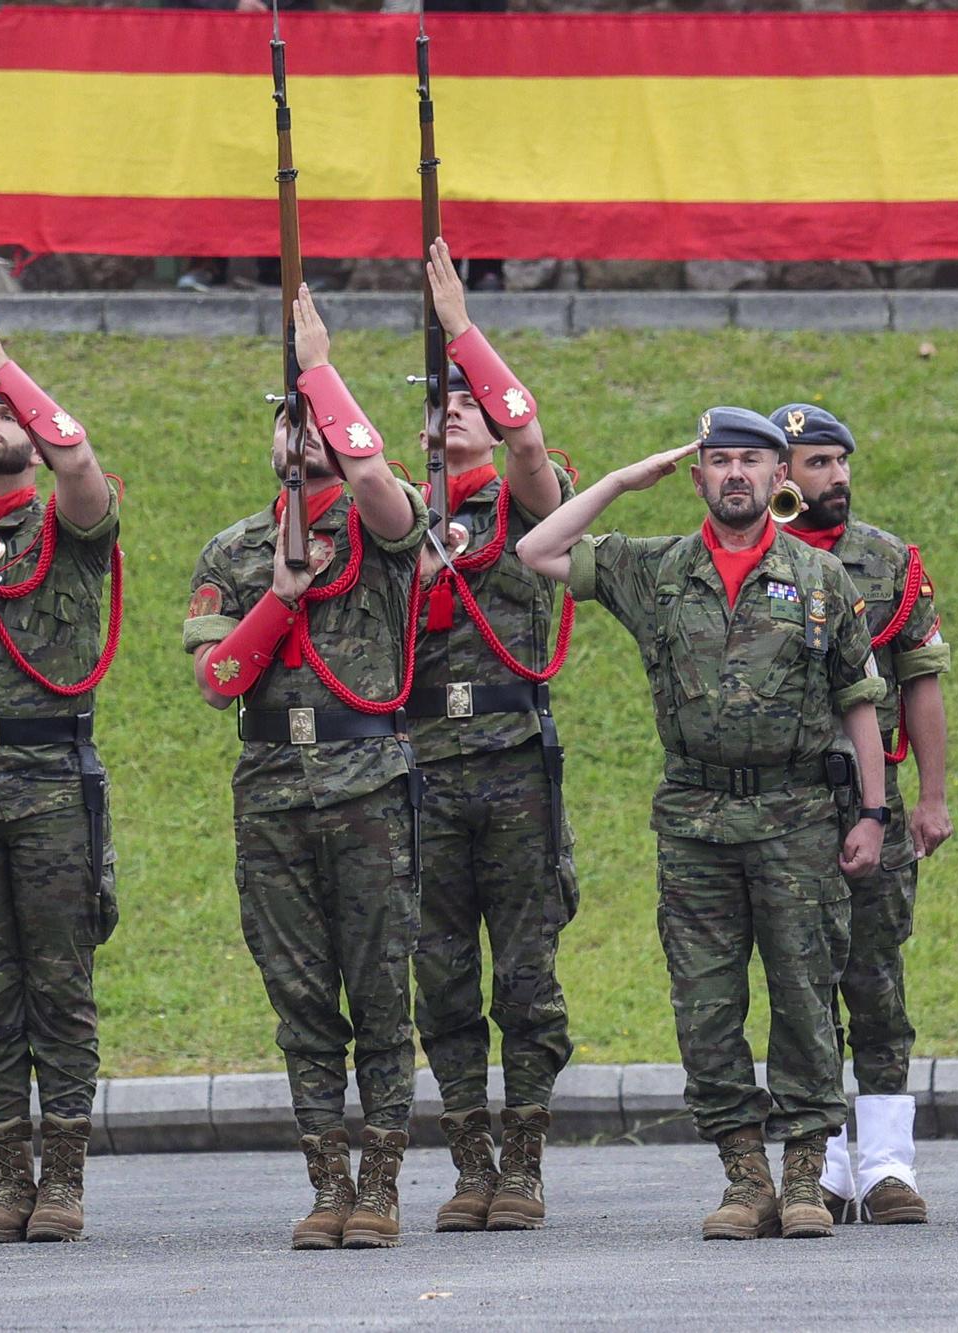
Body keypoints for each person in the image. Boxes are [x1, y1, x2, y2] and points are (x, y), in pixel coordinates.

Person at [517, 407, 888, 1242]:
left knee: (804, 993)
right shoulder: (657, 571)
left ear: (778, 477)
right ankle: (744, 1175)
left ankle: (802, 1176)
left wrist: (872, 812)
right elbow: (535, 552)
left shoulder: (821, 578)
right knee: (706, 1005)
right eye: (719, 461)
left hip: (797, 814)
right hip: (695, 819)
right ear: (697, 477)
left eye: (751, 462)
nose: (735, 475)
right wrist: (617, 482)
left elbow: (859, 700)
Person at [183, 285, 427, 1250]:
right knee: (298, 991)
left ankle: (382, 1181)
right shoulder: (237, 550)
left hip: (367, 780)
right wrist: (280, 597)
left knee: (379, 986)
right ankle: (328, 1177)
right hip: (274, 788)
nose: (309, 437)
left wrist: (321, 371)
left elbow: (377, 483)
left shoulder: (380, 522)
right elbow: (217, 679)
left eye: (320, 422)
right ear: (274, 442)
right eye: (293, 421)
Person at [0, 277, 119, 1246]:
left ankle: (62, 1182)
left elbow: (78, 456)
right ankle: (7, 1178)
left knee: (58, 984)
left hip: (51, 781)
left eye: (10, 411)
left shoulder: (67, 524)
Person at [405, 239, 573, 1233]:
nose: (458, 408)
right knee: (441, 973)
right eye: (443, 400)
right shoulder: (397, 517)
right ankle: (468, 1158)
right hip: (421, 771)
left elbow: (523, 439)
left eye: (467, 397)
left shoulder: (525, 497)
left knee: (524, 972)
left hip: (511, 762)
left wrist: (464, 335)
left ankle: (524, 1159)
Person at [773, 403, 950, 1226]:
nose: (836, 477)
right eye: (816, 463)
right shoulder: (750, 554)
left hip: (868, 797)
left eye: (841, 461)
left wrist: (934, 798)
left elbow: (920, 681)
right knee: (799, 989)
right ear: (781, 474)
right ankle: (822, 1165)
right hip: (777, 802)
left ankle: (886, 1162)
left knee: (876, 981)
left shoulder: (886, 561)